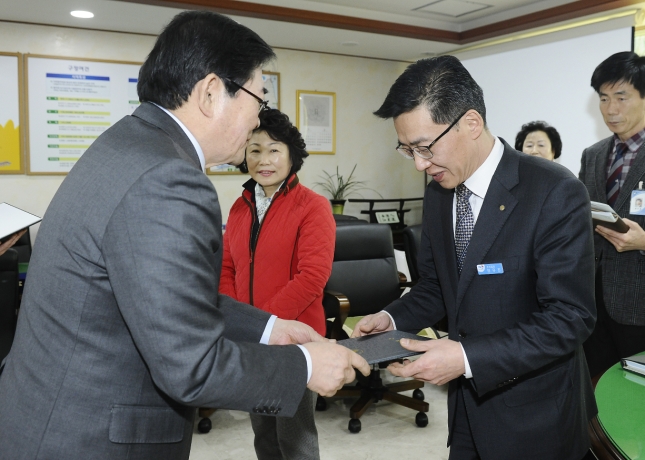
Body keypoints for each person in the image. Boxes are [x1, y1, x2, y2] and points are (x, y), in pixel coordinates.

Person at [0, 11, 368, 460]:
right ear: (212, 93)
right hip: (89, 437)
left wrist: (268, 328)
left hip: (50, 415)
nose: (257, 121)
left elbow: (170, 301)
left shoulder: (127, 145)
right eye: (258, 99)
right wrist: (306, 365)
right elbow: (191, 364)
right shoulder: (169, 179)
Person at [355, 55, 597, 460]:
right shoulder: (438, 190)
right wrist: (393, 319)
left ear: (471, 123)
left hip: (536, 414)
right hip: (467, 409)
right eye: (407, 150)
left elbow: (570, 318)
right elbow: (438, 285)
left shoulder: (554, 191)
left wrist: (466, 357)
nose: (419, 163)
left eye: (425, 147)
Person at [220, 108, 334, 460]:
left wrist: (265, 325)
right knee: (263, 436)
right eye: (254, 150)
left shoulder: (313, 207)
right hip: (252, 340)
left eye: (273, 150)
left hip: (293, 340)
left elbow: (312, 277)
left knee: (295, 438)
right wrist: (240, 323)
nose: (263, 160)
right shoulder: (240, 208)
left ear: (291, 156)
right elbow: (226, 268)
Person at [579, 51, 645, 377]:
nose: (611, 109)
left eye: (621, 97)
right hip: (592, 303)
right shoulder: (593, 155)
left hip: (640, 307)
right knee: (595, 395)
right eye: (604, 98)